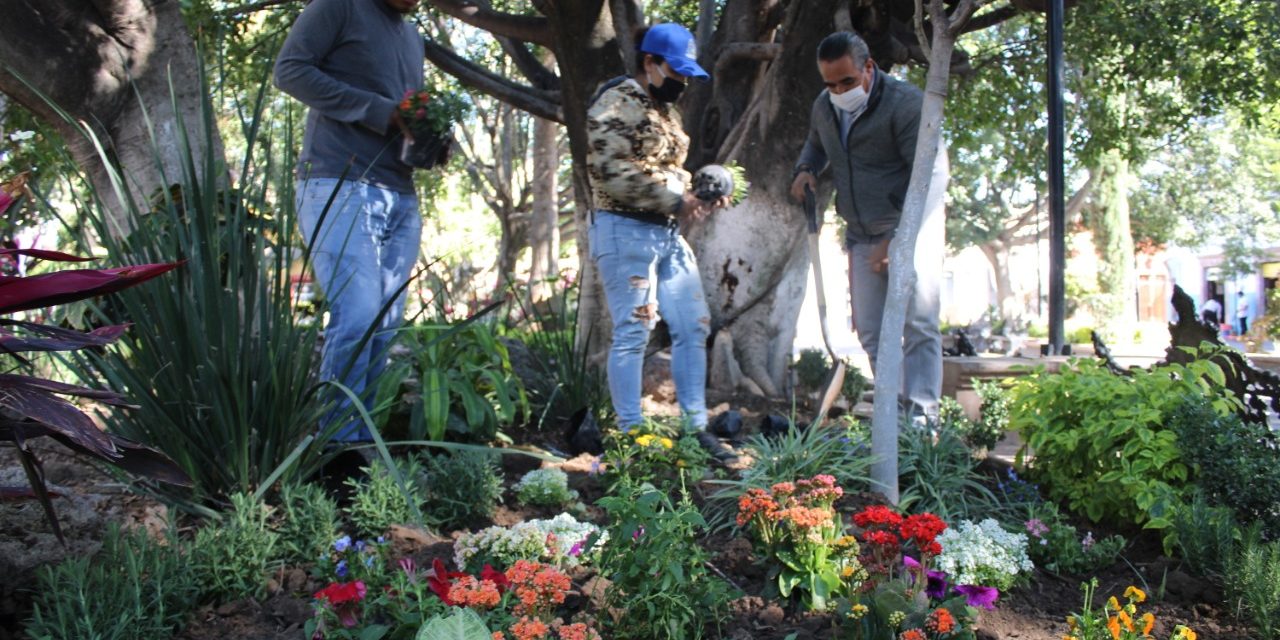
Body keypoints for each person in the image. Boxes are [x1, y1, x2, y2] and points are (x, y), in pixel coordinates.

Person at [274, 0, 426, 443]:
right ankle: (335, 447)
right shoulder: (338, 7)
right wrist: (381, 110)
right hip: (338, 179)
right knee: (357, 317)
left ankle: (359, 446)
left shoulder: (413, 36)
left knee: (384, 327)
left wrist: (428, 138)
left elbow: (405, 114)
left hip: (399, 191)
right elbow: (290, 71)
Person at [585, 23, 735, 462]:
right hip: (624, 228)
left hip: (665, 234)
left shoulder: (665, 110)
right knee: (634, 331)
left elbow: (667, 166)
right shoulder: (617, 101)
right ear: (649, 62)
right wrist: (675, 199)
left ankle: (696, 427)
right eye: (676, 70)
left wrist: (701, 190)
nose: (682, 81)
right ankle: (631, 436)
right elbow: (610, 169)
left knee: (694, 325)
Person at [790, 31, 948, 419]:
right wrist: (806, 169)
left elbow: (930, 176)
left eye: (847, 81)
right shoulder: (825, 108)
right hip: (860, 233)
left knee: (919, 325)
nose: (839, 91)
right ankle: (892, 422)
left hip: (914, 228)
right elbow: (815, 142)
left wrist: (900, 239)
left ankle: (924, 421)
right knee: (872, 332)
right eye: (830, 84)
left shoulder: (906, 105)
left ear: (869, 68)